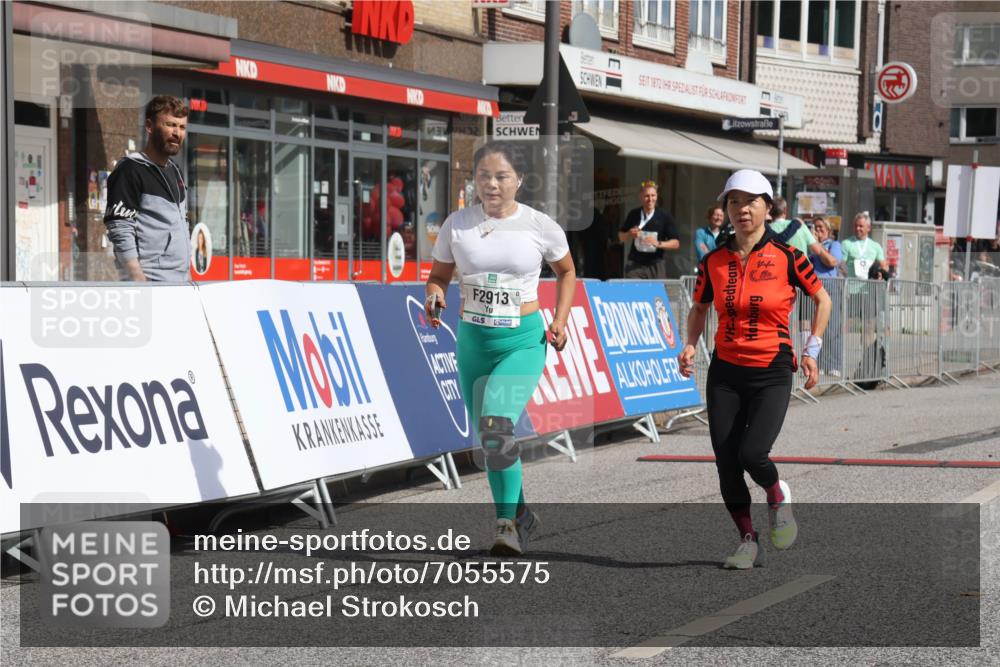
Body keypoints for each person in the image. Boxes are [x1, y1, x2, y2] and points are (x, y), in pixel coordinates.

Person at [424, 141, 576, 557]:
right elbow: (438, 276)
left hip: (522, 342)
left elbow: (566, 272)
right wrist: (434, 295)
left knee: (496, 425)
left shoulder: (539, 225)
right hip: (473, 343)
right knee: (491, 440)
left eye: (501, 176)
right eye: (484, 176)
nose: (491, 184)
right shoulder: (457, 225)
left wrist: (560, 319)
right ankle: (522, 513)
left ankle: (506, 525)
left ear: (519, 180)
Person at [678, 169, 832, 570]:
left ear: (767, 208)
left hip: (771, 369)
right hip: (726, 371)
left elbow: (823, 300)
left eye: (751, 201)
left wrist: (812, 350)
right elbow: (700, 308)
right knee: (726, 461)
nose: (742, 209)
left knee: (752, 453)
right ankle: (748, 540)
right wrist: (690, 344)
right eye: (734, 201)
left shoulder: (788, 257)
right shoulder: (713, 260)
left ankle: (777, 493)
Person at [104, 95, 190, 281]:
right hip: (150, 282)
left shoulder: (175, 170)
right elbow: (120, 228)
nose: (177, 133)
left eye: (182, 127)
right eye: (170, 125)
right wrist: (139, 281)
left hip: (180, 282)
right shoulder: (130, 169)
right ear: (150, 126)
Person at [618, 180, 680, 279]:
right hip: (635, 265)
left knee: (657, 290)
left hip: (656, 265)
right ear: (641, 197)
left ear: (657, 196)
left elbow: (676, 243)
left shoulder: (664, 216)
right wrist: (629, 234)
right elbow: (621, 237)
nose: (650, 199)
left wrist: (658, 243)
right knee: (634, 289)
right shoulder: (634, 214)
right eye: (647, 196)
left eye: (653, 195)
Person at [810, 217, 844, 376]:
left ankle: (834, 364)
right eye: (815, 227)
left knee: (833, 326)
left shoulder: (834, 245)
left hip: (830, 286)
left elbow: (832, 261)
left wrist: (817, 247)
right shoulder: (811, 246)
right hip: (814, 287)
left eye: (821, 227)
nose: (817, 230)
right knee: (818, 326)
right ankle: (820, 363)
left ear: (828, 230)